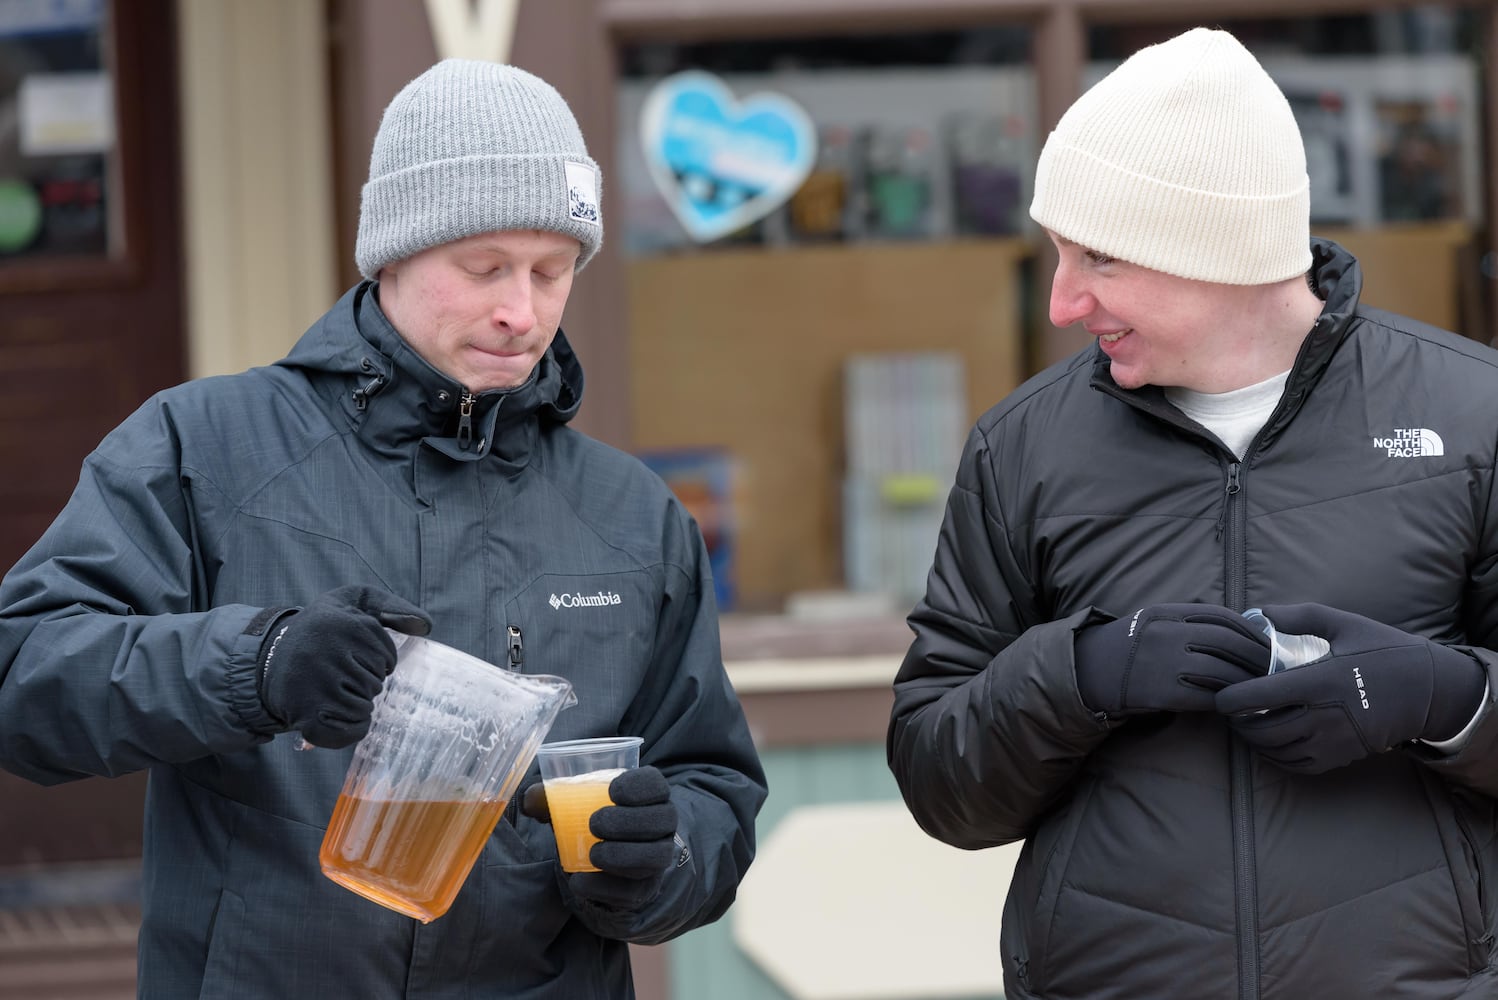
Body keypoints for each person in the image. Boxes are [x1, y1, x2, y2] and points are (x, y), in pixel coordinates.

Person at [0, 59, 766, 998]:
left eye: (552, 272)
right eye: (483, 267)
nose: (520, 311)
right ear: (395, 251)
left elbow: (712, 790)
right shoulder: (205, 447)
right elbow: (24, 675)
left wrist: (663, 858)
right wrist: (259, 664)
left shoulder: (631, 516)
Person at [887, 27, 1498, 1000]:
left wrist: (1442, 696)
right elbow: (937, 781)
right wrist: (1077, 673)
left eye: (1098, 258)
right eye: (1056, 253)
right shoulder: (1025, 448)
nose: (1061, 301)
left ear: (1220, 248)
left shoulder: (1471, 416)